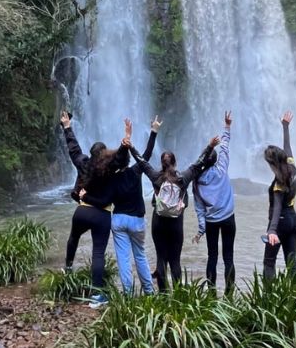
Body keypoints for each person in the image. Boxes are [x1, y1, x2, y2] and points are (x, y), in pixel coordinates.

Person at [129, 135, 219, 291]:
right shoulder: (183, 178)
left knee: (161, 258)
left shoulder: (156, 177)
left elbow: (142, 162)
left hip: (158, 222)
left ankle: (163, 294)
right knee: (175, 260)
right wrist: (210, 146)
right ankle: (178, 294)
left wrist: (130, 146)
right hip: (176, 224)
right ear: (175, 162)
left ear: (162, 163)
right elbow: (199, 163)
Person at [60, 111, 129, 307]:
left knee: (73, 238)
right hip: (102, 215)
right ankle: (97, 294)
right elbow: (120, 159)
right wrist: (125, 143)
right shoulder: (110, 169)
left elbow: (74, 150)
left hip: (82, 211)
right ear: (105, 153)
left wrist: (67, 127)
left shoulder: (84, 164)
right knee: (98, 253)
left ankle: (68, 268)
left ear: (91, 153)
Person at [110, 116, 162, 295]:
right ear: (128, 161)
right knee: (140, 255)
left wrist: (126, 138)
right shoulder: (136, 171)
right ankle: (149, 291)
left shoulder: (110, 177)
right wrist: (153, 131)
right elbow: (146, 154)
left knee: (123, 259)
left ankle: (128, 294)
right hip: (137, 221)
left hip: (118, 220)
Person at [193, 111, 236, 294]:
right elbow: (225, 147)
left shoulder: (196, 182)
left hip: (211, 222)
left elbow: (199, 209)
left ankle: (211, 294)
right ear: (216, 160)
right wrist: (227, 126)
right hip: (228, 218)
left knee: (212, 257)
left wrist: (201, 230)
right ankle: (229, 294)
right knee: (228, 257)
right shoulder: (222, 169)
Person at [263, 110, 296, 280]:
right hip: (293, 220)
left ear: (273, 164)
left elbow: (277, 208)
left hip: (281, 223)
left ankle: (268, 295)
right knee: (291, 263)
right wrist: (285, 126)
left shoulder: (279, 183)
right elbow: (288, 147)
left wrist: (272, 230)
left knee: (269, 263)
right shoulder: (292, 167)